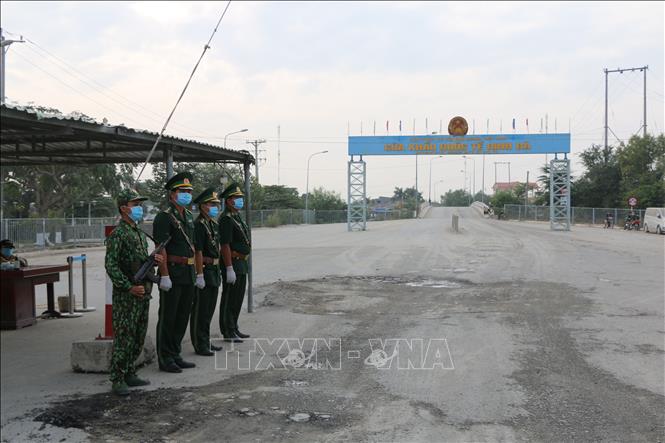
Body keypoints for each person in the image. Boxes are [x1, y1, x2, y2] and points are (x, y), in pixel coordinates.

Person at [105, 188, 162, 396]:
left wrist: (154, 262)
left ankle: (130, 372)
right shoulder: (118, 234)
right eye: (134, 204)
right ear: (123, 208)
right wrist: (128, 286)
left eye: (139, 204)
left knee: (138, 335)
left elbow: (139, 262)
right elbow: (111, 266)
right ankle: (117, 378)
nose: (139, 208)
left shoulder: (137, 232)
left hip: (143, 292)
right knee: (125, 337)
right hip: (127, 295)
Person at [153, 172, 197, 373]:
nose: (187, 194)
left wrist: (198, 272)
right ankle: (165, 357)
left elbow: (192, 246)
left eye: (189, 191)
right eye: (182, 191)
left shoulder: (188, 215)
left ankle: (175, 353)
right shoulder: (164, 217)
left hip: (188, 271)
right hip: (172, 271)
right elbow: (161, 247)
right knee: (168, 316)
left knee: (182, 315)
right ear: (172, 194)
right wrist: (164, 275)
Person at [190, 187, 224, 356]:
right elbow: (198, 251)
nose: (215, 207)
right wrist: (199, 274)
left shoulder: (213, 224)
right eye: (212, 204)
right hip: (204, 269)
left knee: (209, 309)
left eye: (216, 204)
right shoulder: (199, 225)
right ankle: (199, 343)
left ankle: (206, 340)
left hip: (214, 270)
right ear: (203, 206)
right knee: (201, 310)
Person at [219, 182, 251, 343]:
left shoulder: (237, 216)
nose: (240, 200)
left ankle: (234, 326)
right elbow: (225, 245)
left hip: (242, 263)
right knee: (230, 298)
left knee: (238, 297)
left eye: (240, 198)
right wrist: (229, 267)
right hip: (233, 262)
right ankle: (228, 330)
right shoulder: (225, 219)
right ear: (229, 200)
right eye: (237, 198)